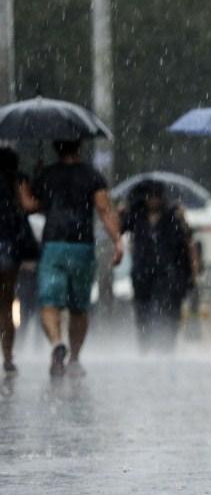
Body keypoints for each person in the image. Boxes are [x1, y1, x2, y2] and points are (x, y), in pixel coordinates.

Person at [33, 139, 123, 376]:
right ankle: (74, 358)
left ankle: (56, 342)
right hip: (82, 246)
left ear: (56, 148)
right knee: (78, 307)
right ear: (79, 147)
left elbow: (32, 205)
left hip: (53, 244)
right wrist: (118, 241)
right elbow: (104, 210)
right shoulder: (92, 176)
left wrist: (36, 177)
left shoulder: (48, 175)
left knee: (49, 303)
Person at [120, 180, 198, 353]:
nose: (153, 200)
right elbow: (120, 228)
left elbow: (188, 241)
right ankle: (145, 346)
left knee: (169, 310)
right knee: (143, 311)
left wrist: (193, 272)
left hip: (169, 272)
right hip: (143, 272)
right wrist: (122, 210)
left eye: (157, 195)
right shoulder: (136, 216)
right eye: (150, 196)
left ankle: (167, 346)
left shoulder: (173, 216)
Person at [0, 147, 40, 374]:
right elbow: (29, 206)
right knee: (6, 304)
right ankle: (7, 357)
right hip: (9, 247)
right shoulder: (19, 181)